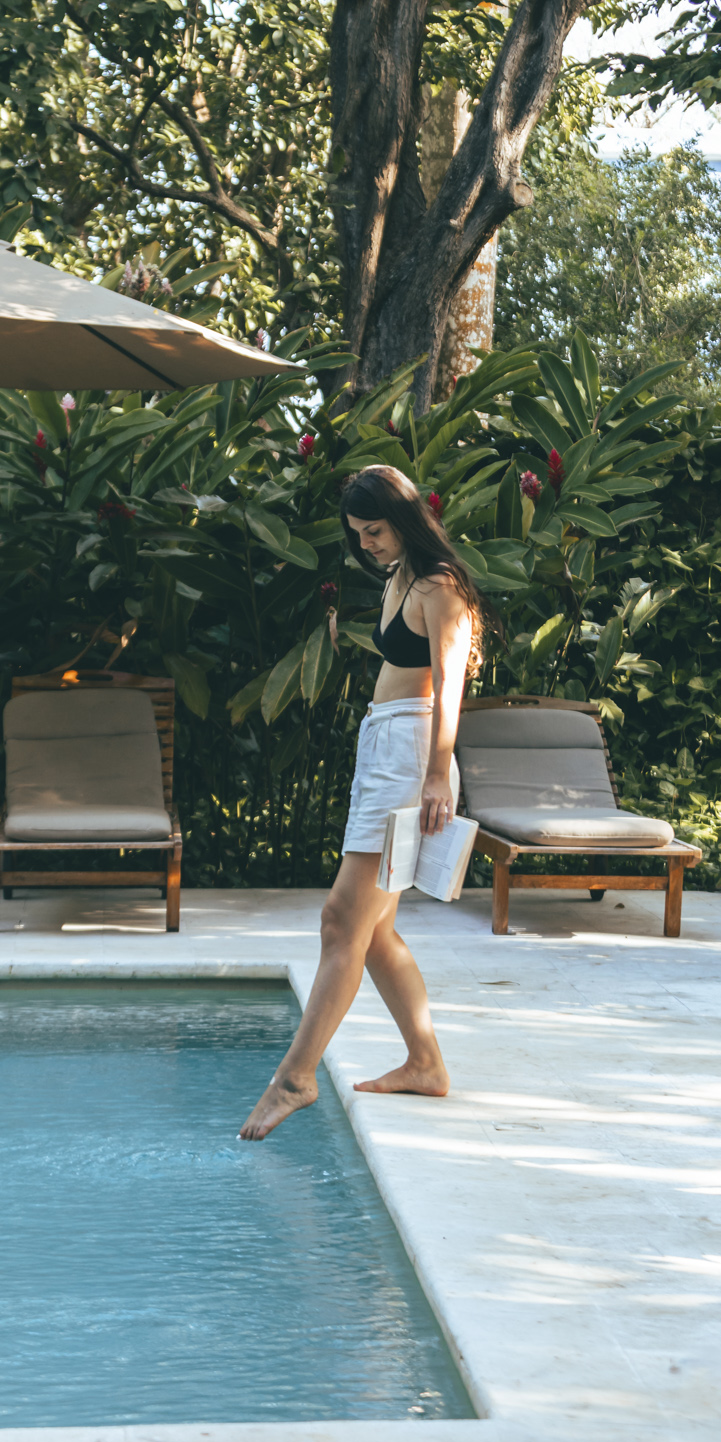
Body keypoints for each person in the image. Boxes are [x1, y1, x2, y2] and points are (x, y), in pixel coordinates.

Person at [239, 464, 490, 1141]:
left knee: (339, 920)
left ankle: (294, 1077)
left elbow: (448, 685)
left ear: (403, 520)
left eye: (374, 530)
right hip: (385, 748)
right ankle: (425, 1062)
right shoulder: (399, 575)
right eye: (357, 535)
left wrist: (438, 774)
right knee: (369, 931)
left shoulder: (439, 586)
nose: (366, 544)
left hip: (411, 757)